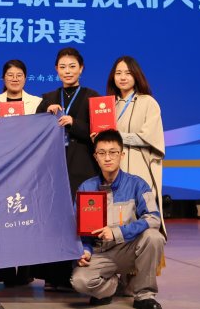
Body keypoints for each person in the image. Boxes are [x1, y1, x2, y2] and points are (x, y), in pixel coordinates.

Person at [70, 129, 165, 309]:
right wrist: (85, 250)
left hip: (129, 250)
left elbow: (154, 218)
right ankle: (110, 287)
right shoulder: (86, 187)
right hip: (100, 253)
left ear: (121, 155)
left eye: (113, 152)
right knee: (79, 281)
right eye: (102, 153)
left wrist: (117, 232)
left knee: (154, 237)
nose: (107, 158)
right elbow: (79, 229)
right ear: (95, 157)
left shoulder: (138, 184)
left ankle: (144, 296)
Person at [31, 47, 100, 291]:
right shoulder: (48, 98)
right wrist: (44, 114)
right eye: (62, 67)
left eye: (72, 66)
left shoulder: (93, 97)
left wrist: (74, 123)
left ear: (81, 68)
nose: (67, 71)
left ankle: (78, 274)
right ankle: (52, 276)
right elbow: (34, 131)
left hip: (82, 169)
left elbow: (101, 133)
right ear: (56, 70)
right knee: (53, 221)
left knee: (80, 223)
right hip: (52, 170)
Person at [0, 59, 42, 287]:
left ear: (26, 78)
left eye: (19, 75)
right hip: (0, 169)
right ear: (3, 78)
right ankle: (5, 270)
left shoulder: (37, 103)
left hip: (28, 168)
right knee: (2, 218)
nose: (15, 79)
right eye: (10, 75)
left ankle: (26, 270)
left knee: (26, 218)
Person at [100, 56, 165, 216]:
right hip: (114, 169)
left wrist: (115, 137)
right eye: (118, 73)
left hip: (139, 168)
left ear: (136, 75)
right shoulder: (109, 105)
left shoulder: (148, 102)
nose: (123, 77)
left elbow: (147, 138)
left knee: (142, 215)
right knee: (116, 216)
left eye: (128, 73)